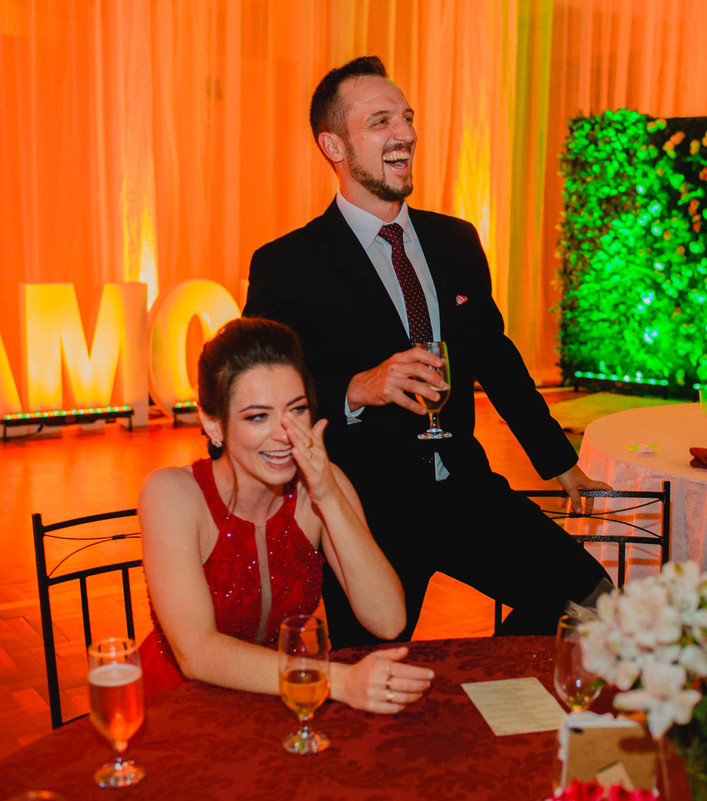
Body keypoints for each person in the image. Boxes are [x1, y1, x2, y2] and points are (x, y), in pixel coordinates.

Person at [242, 56, 612, 648]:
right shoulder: (288, 263)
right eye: (381, 120)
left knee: (595, 603)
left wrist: (558, 461)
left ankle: (482, 698)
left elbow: (494, 355)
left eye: (408, 118)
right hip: (366, 512)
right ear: (333, 145)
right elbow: (257, 393)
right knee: (372, 680)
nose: (406, 134)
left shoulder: (455, 240)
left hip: (464, 487)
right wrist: (357, 388)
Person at [138, 317, 434, 713]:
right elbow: (197, 652)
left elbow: (388, 619)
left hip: (281, 702)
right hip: (179, 708)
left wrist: (328, 494)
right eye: (257, 416)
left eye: (296, 410)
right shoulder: (172, 494)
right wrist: (337, 680)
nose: (284, 434)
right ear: (213, 423)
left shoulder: (320, 486)